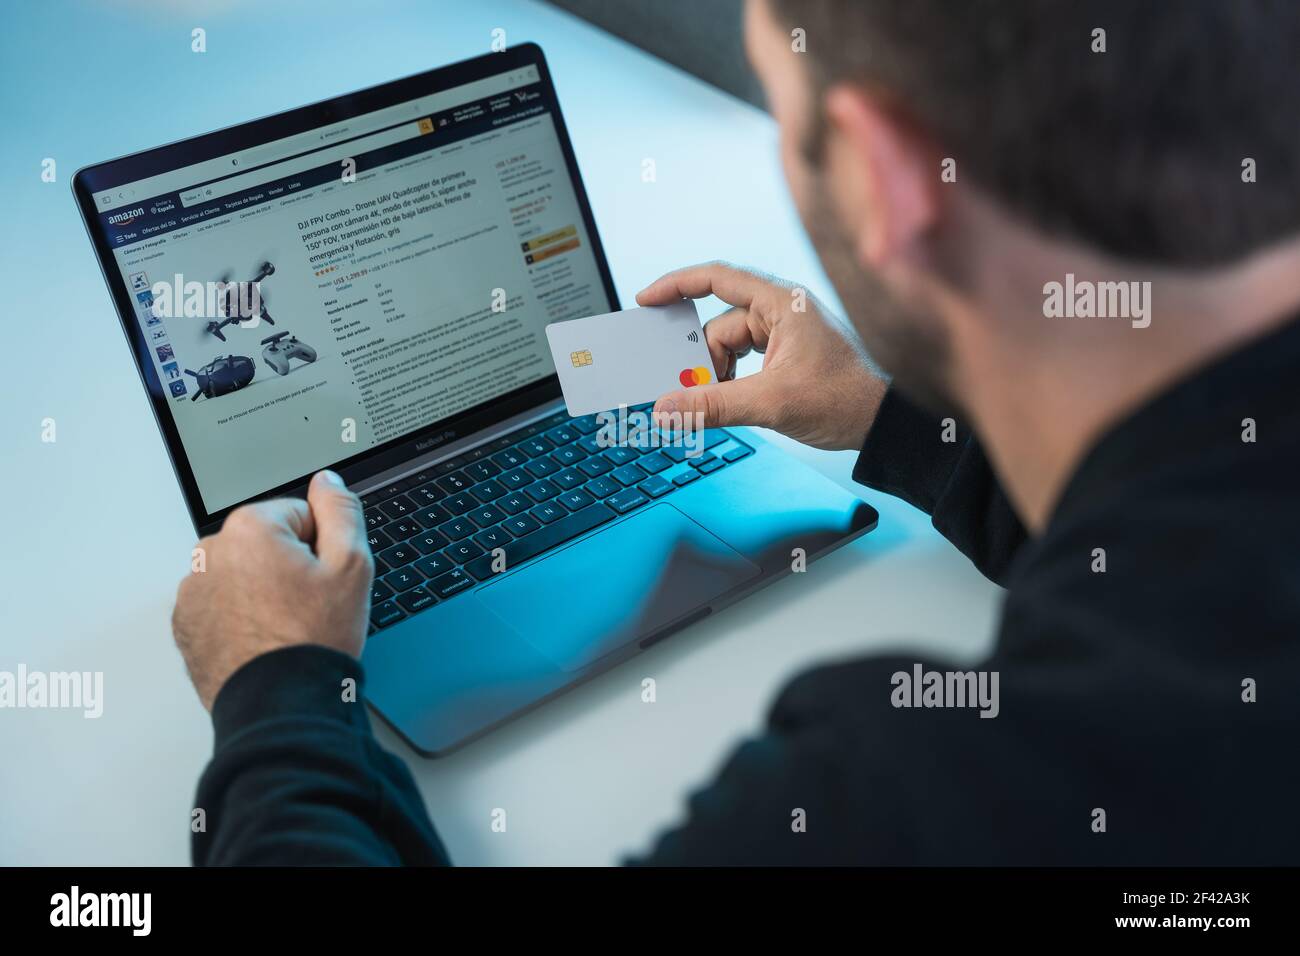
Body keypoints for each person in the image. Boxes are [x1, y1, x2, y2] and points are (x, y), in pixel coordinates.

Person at [174, 0, 1300, 864]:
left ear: (881, 178)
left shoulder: (908, 803)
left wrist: (278, 691)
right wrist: (894, 423)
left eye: (780, 102)